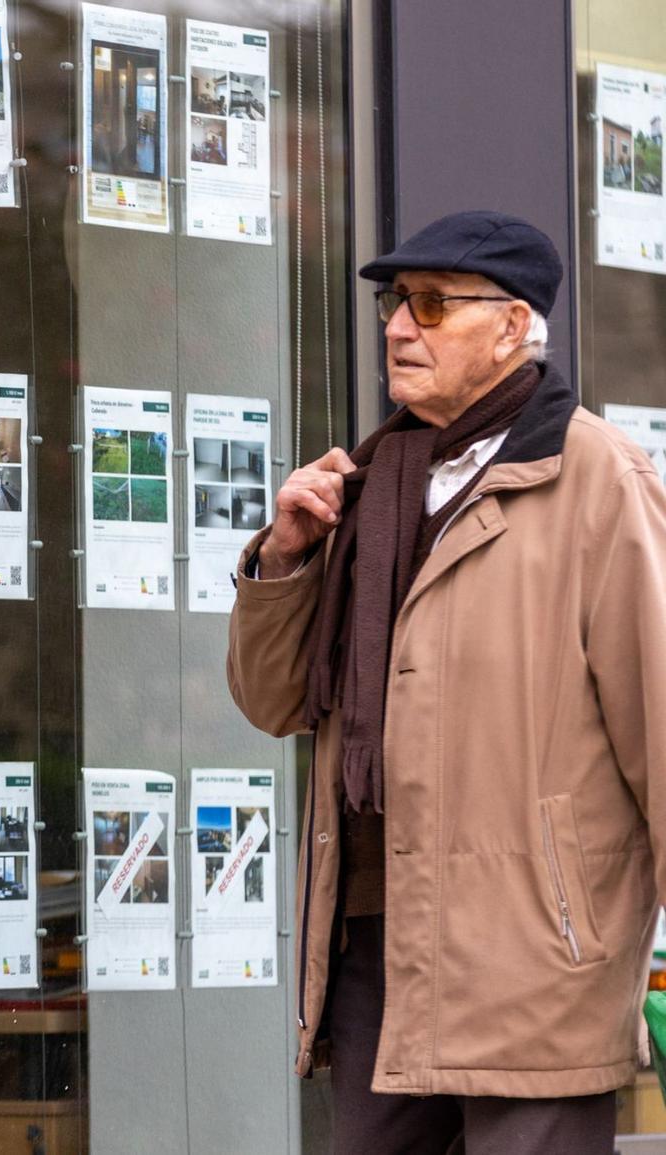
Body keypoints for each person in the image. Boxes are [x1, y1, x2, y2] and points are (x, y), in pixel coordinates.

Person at [227, 210, 666, 1154]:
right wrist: (287, 560)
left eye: (433, 304)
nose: (398, 326)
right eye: (396, 302)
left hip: (534, 962)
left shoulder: (595, 480)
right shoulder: (368, 483)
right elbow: (271, 702)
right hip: (375, 951)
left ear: (514, 329)